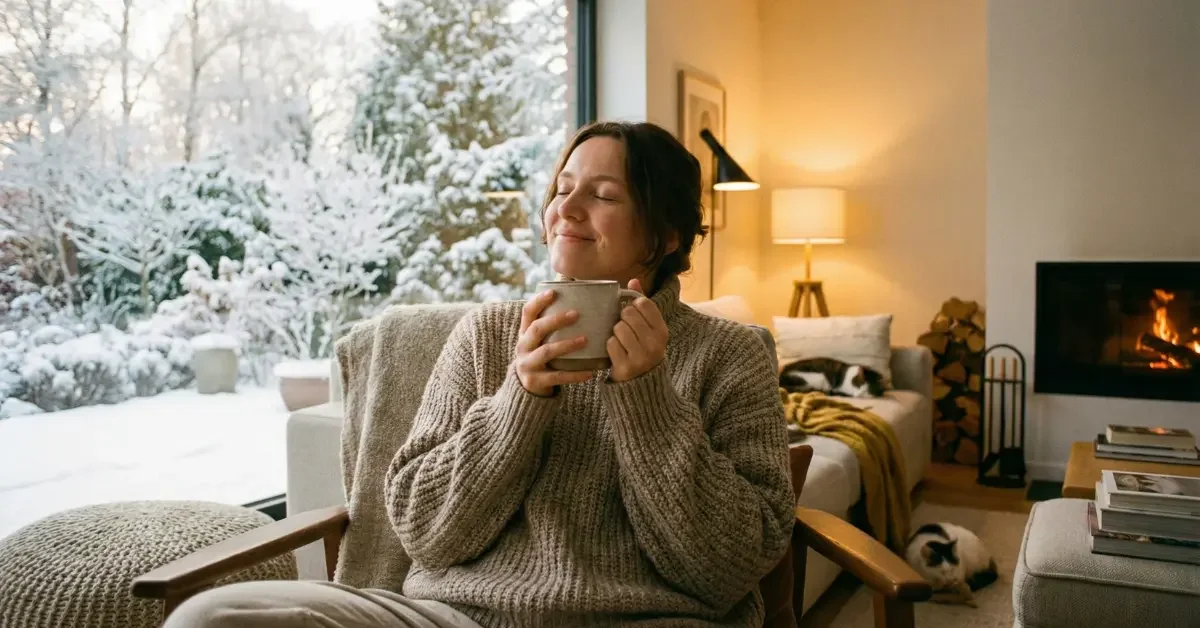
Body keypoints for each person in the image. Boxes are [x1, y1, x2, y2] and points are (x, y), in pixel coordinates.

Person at [164, 121, 795, 627]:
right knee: (213, 616)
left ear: (662, 237)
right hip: (454, 616)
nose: (565, 208)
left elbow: (729, 566)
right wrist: (519, 399)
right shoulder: (489, 335)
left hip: (647, 619)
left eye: (602, 195)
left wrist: (648, 401)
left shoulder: (731, 353)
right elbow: (426, 533)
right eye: (563, 188)